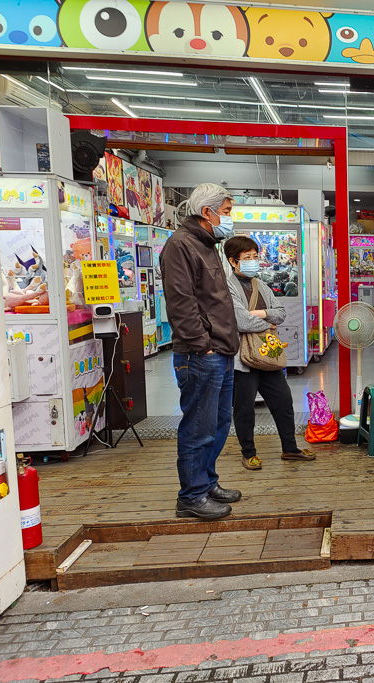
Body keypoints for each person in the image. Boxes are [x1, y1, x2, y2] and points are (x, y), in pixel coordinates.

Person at [160, 183, 240, 520]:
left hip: (220, 351)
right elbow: (182, 304)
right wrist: (202, 346)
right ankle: (191, 496)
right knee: (198, 426)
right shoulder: (181, 245)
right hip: (201, 354)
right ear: (206, 212)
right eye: (226, 211)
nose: (230, 218)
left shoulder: (208, 245)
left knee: (219, 422)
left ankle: (206, 482)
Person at [224, 236, 315, 470]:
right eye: (247, 258)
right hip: (243, 358)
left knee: (283, 401)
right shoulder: (226, 287)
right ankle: (249, 452)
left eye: (255, 257)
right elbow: (240, 321)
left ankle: (290, 448)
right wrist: (268, 323)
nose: (253, 261)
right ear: (234, 262)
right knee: (244, 408)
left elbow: (281, 313)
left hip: (268, 354)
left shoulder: (261, 285)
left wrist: (261, 314)